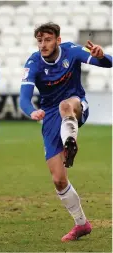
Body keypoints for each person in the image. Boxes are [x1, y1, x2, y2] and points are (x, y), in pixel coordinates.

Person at [19, 22, 112, 242]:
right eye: (40, 40)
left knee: (65, 106)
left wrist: (101, 56)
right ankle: (81, 224)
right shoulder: (33, 63)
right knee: (59, 179)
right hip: (50, 116)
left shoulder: (71, 50)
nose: (43, 44)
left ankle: (70, 141)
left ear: (58, 40)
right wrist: (32, 111)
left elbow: (109, 64)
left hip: (76, 104)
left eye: (48, 39)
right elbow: (24, 97)